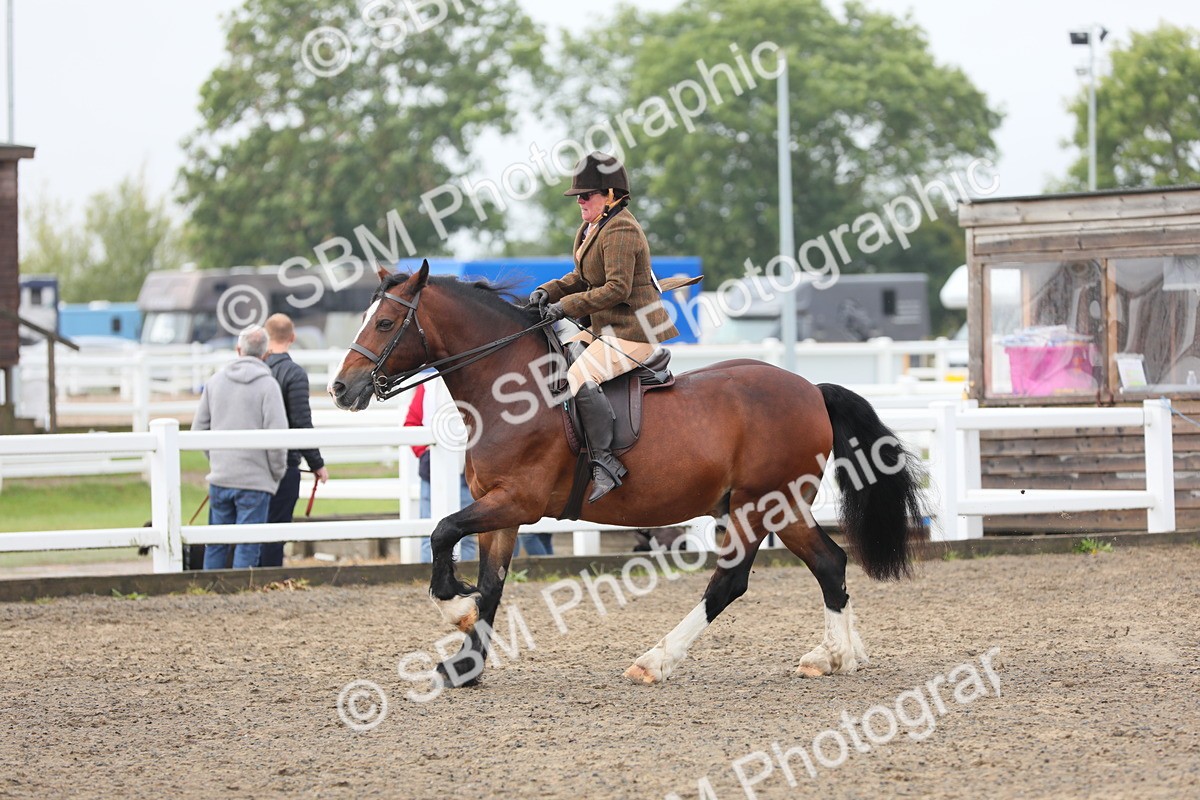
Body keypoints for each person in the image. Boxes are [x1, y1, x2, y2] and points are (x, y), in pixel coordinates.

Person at [528, 151, 679, 502]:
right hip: (605, 329)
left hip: (635, 330)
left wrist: (563, 306)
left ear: (611, 195)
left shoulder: (622, 228)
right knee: (557, 359)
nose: (580, 201)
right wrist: (546, 291)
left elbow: (616, 288)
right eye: (578, 196)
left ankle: (605, 462)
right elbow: (581, 278)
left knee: (579, 377)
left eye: (587, 195)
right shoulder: (591, 227)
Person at [193, 325, 288, 569]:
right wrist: (276, 473)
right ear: (265, 353)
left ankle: (210, 590)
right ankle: (242, 592)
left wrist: (217, 458)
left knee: (216, 542)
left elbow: (198, 431)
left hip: (222, 476)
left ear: (238, 349)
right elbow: (278, 438)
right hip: (255, 480)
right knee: (248, 544)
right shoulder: (268, 386)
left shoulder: (214, 382)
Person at [261, 313, 329, 567]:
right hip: (285, 462)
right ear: (293, 337)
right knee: (277, 528)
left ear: (267, 336)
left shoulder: (257, 369)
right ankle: (270, 575)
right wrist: (316, 463)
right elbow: (301, 422)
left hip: (253, 462)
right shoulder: (294, 373)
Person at [404, 379, 478, 563]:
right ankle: (429, 578)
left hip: (467, 471)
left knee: (467, 535)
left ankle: (463, 577)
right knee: (428, 532)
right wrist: (425, 453)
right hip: (433, 471)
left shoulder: (473, 380)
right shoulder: (427, 386)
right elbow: (411, 423)